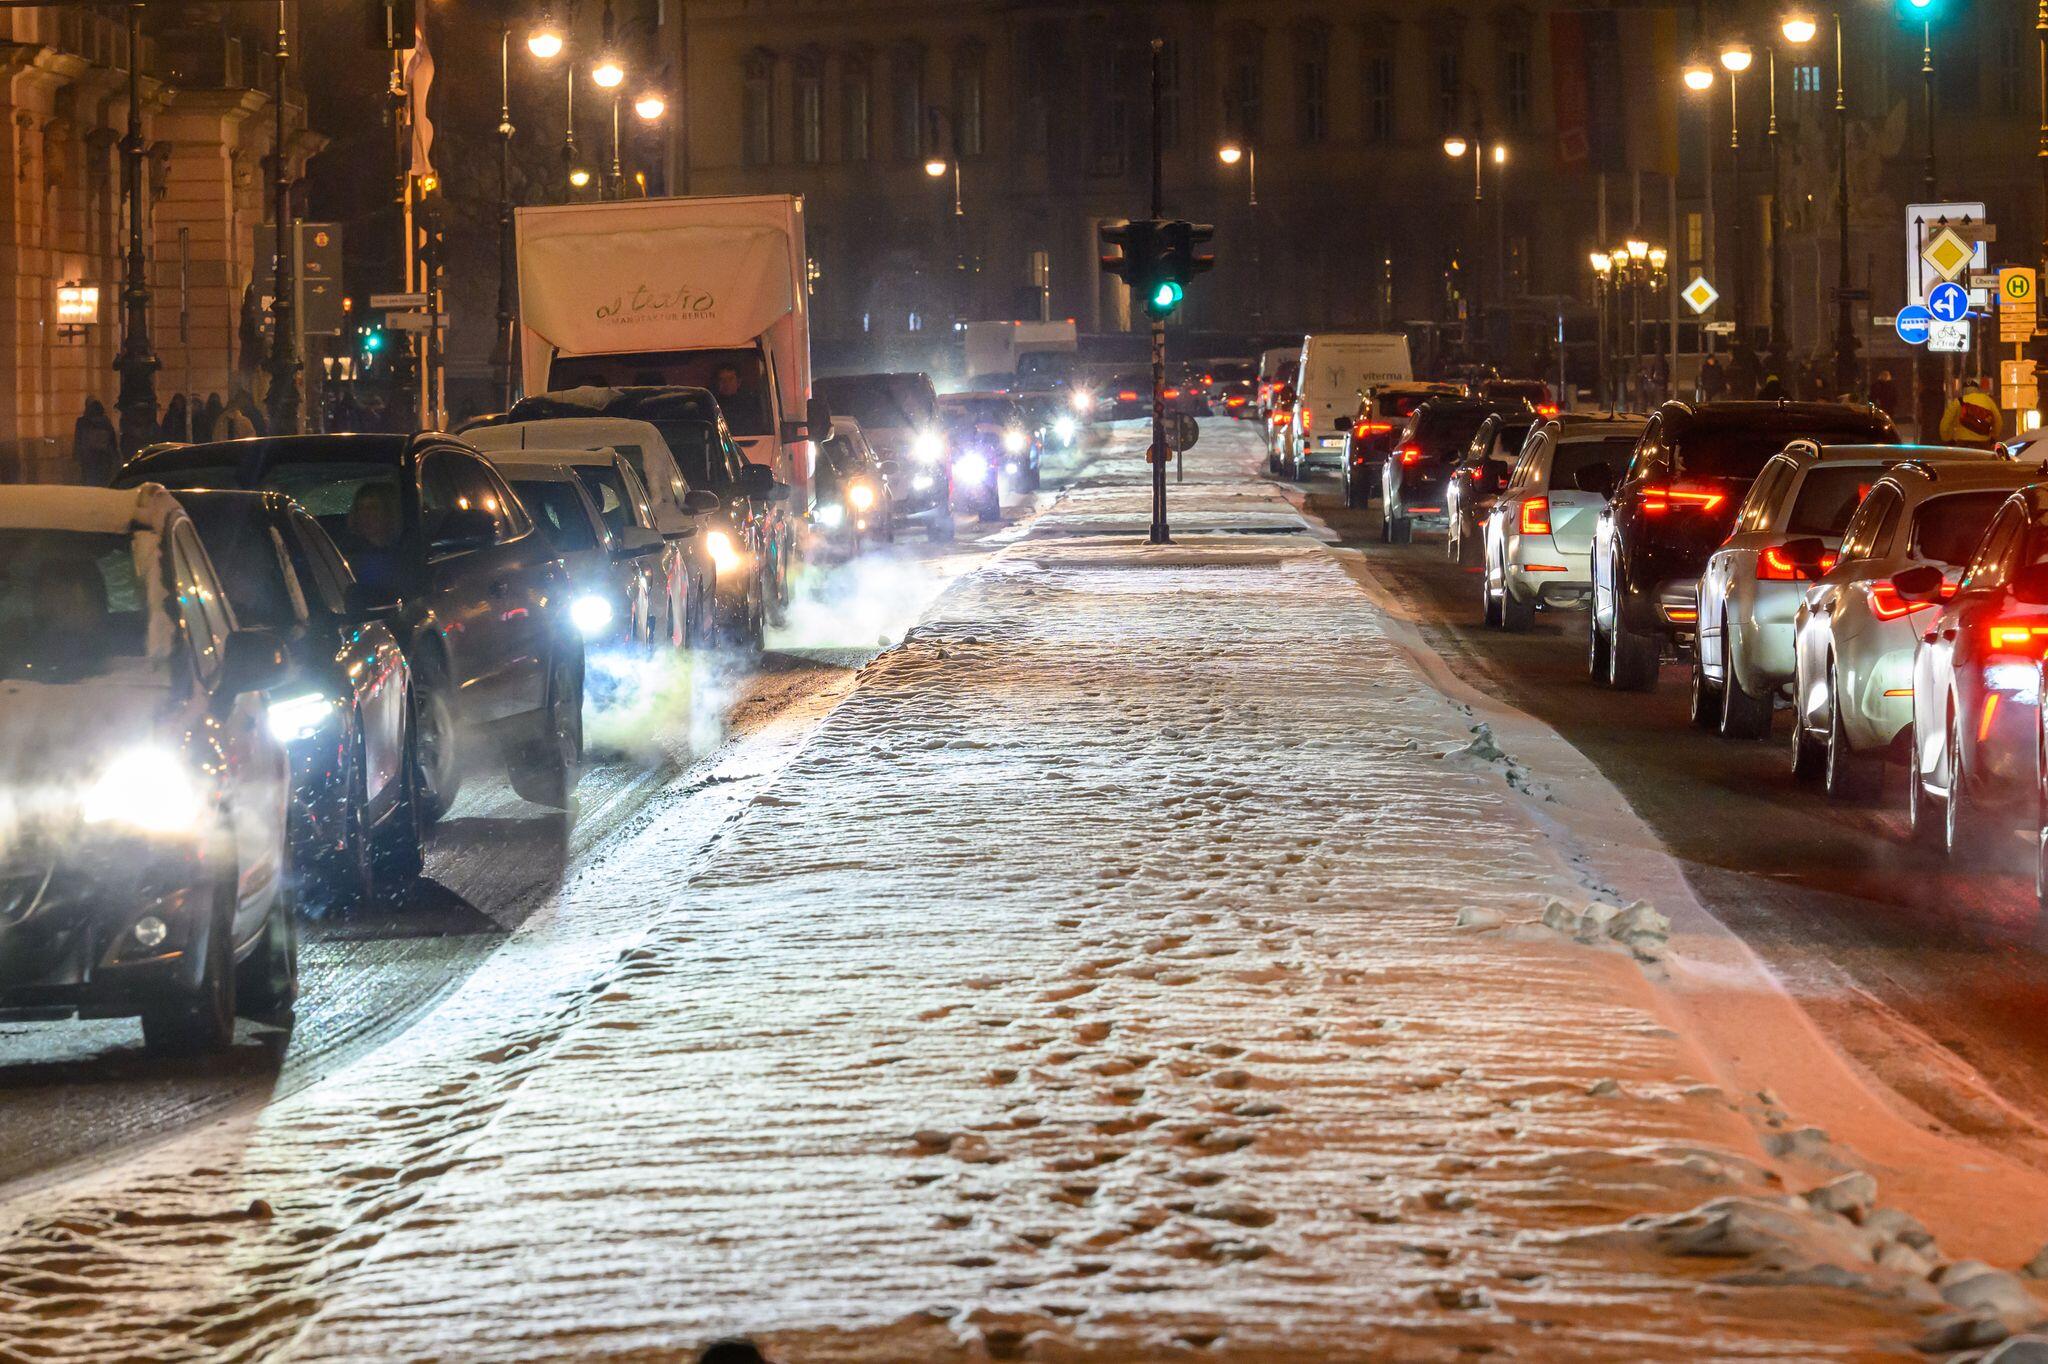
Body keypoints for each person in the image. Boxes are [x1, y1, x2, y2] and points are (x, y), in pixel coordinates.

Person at [333, 482, 405, 598]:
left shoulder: (405, 548)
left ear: (388, 512)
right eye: (360, 508)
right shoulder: (348, 552)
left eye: (373, 508)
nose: (365, 514)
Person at [1940, 377, 2002, 449]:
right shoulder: (1987, 400)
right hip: (1983, 441)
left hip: (1962, 441)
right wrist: (1993, 436)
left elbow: (1946, 422)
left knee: (1962, 456)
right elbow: (1998, 421)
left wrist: (1947, 439)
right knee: (1984, 456)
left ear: (1963, 391)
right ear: (1977, 390)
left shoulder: (1958, 402)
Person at [71, 397, 120, 486]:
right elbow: (112, 441)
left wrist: (76, 457)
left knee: (89, 481)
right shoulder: (106, 421)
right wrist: (115, 456)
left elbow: (78, 441)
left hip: (88, 457)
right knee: (103, 482)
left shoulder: (82, 421)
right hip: (104, 458)